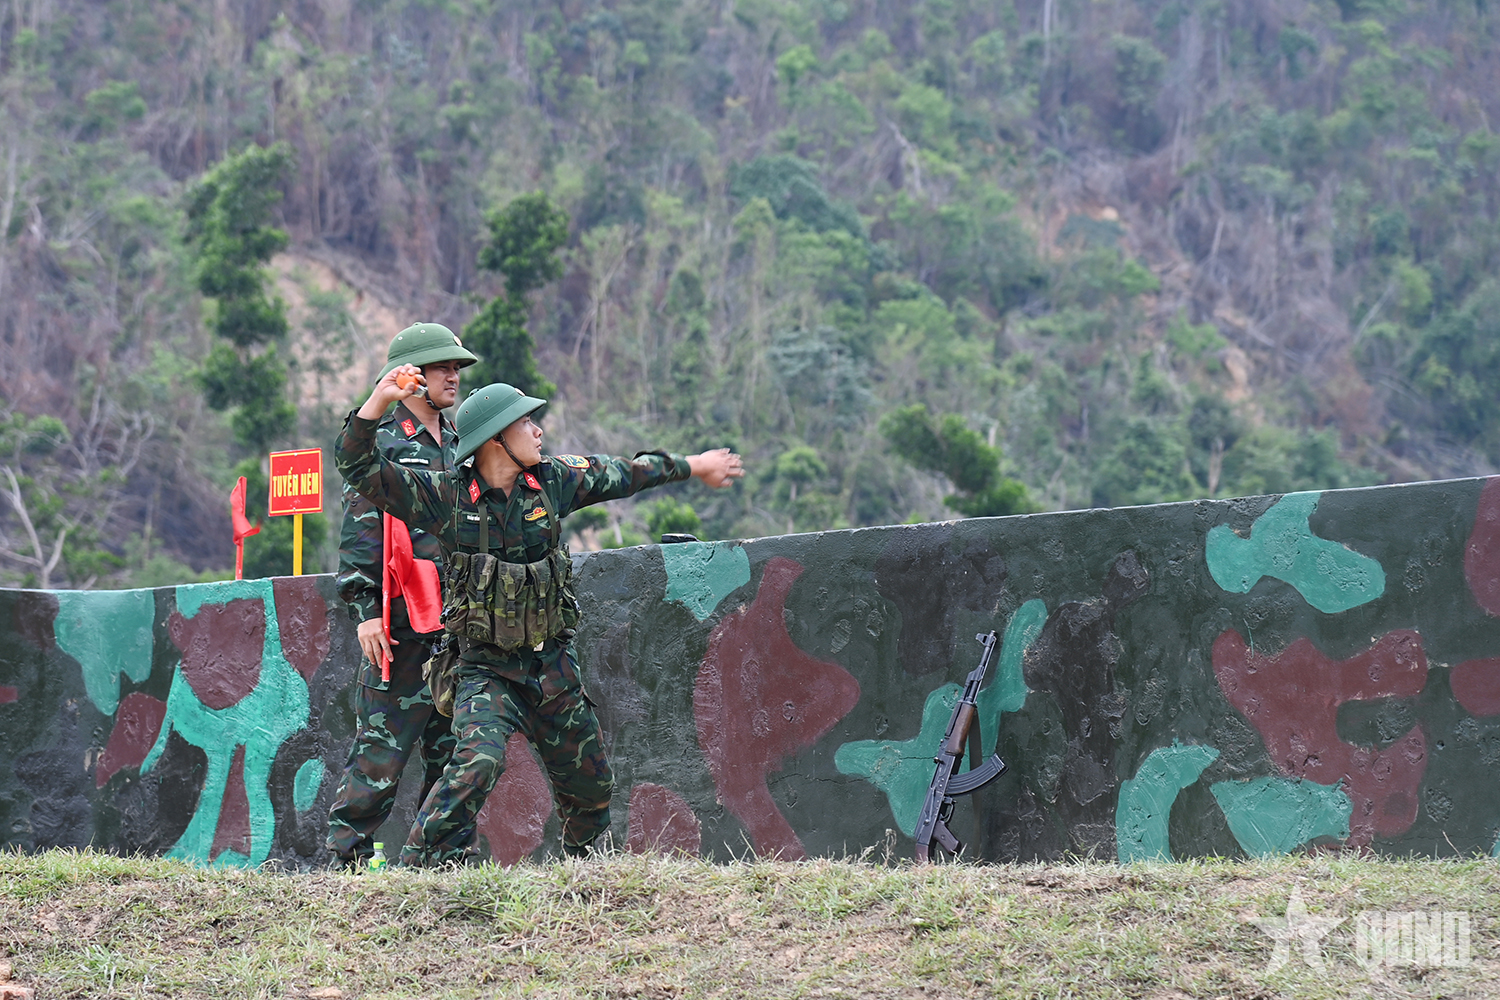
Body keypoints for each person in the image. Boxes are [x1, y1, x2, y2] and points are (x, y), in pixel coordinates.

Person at [335, 366, 743, 865]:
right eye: (527, 423)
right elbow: (359, 467)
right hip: (485, 670)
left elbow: (626, 473)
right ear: (495, 440)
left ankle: (583, 876)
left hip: (552, 667)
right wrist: (378, 401)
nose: (539, 431)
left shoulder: (553, 482)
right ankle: (418, 869)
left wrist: (694, 465)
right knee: (475, 765)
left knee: (592, 787)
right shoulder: (444, 498)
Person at [326, 323, 479, 869]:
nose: (453, 376)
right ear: (411, 375)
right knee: (380, 757)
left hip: (457, 629)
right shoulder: (385, 442)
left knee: (455, 755)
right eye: (442, 367)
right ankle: (346, 867)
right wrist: (366, 610)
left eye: (457, 367)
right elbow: (362, 527)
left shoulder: (464, 443)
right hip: (400, 628)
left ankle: (444, 869)